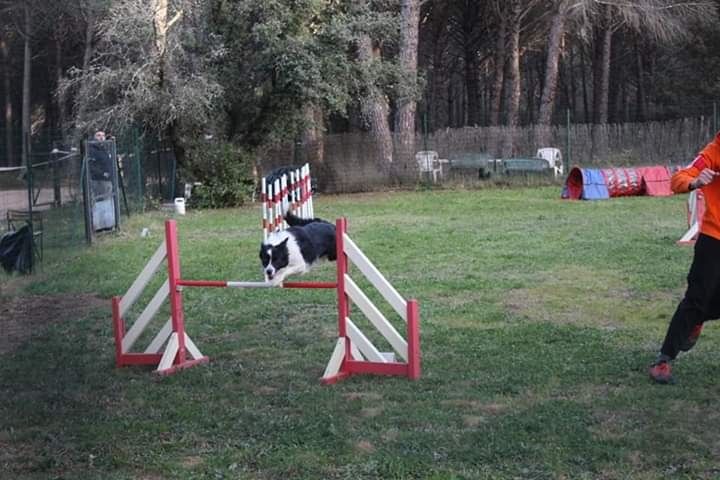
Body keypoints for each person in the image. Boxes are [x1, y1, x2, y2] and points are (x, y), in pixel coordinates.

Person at [649, 133, 720, 384]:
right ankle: (663, 360)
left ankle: (698, 320)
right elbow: (678, 179)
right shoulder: (712, 153)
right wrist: (696, 182)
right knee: (696, 300)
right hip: (714, 239)